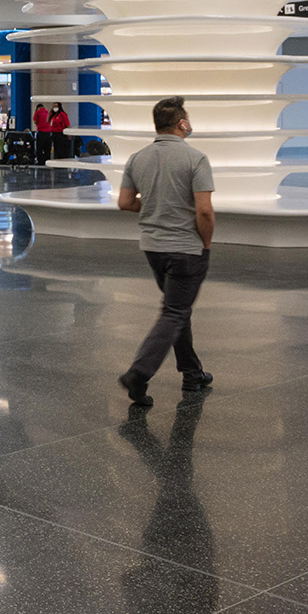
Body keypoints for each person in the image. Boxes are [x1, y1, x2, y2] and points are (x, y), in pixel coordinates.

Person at [115, 96, 215, 407]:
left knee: (177, 308)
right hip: (186, 248)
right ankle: (139, 373)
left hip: (152, 247)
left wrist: (156, 206)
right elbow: (205, 212)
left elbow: (125, 203)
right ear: (182, 123)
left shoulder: (137, 158)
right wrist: (206, 243)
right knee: (174, 312)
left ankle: (192, 372)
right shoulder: (196, 159)